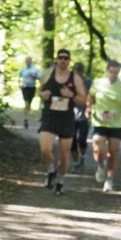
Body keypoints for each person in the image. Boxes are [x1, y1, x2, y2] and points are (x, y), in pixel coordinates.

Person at [38, 49, 86, 195]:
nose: (63, 60)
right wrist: (42, 95)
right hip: (49, 117)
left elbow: (83, 101)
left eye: (66, 58)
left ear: (69, 61)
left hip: (66, 119)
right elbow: (39, 91)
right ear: (56, 59)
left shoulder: (75, 78)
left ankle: (60, 181)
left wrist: (71, 95)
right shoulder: (47, 74)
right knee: (45, 149)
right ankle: (51, 169)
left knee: (65, 155)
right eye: (61, 58)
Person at [88, 59, 121, 193]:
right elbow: (90, 97)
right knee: (97, 146)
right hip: (99, 122)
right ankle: (100, 165)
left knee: (114, 152)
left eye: (116, 72)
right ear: (107, 71)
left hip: (116, 124)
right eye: (111, 72)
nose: (113, 75)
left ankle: (109, 180)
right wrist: (88, 108)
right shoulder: (98, 83)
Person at [69, 62, 93, 172]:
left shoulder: (88, 82)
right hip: (70, 115)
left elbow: (92, 96)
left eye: (79, 72)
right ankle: (75, 162)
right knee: (71, 140)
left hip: (84, 114)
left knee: (82, 139)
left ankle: (82, 157)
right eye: (75, 72)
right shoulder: (69, 81)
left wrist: (89, 108)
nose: (77, 74)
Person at [19, 56, 42, 129]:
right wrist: (19, 84)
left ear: (31, 62)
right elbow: (19, 77)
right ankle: (25, 118)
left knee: (29, 102)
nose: (28, 62)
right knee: (26, 102)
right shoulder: (23, 70)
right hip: (25, 87)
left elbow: (39, 78)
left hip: (32, 87)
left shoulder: (35, 69)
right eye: (27, 61)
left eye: (29, 61)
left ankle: (27, 114)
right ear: (25, 62)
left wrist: (34, 76)